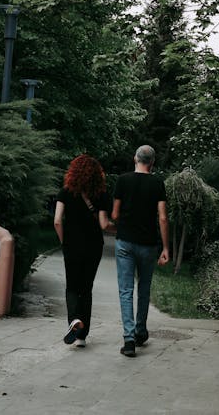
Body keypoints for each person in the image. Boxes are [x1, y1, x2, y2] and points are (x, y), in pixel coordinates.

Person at [112, 144, 169, 357]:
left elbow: (115, 215)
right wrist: (165, 247)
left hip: (125, 242)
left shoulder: (123, 180)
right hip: (148, 244)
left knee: (126, 291)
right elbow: (162, 217)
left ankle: (128, 341)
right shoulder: (157, 183)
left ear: (135, 159)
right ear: (152, 163)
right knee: (144, 288)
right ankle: (140, 331)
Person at [54, 154, 112, 348]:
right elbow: (104, 224)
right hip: (94, 246)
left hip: (72, 245)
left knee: (72, 286)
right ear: (97, 174)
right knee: (86, 289)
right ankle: (82, 337)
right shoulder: (102, 194)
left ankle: (74, 321)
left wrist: (64, 241)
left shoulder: (65, 191)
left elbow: (56, 220)